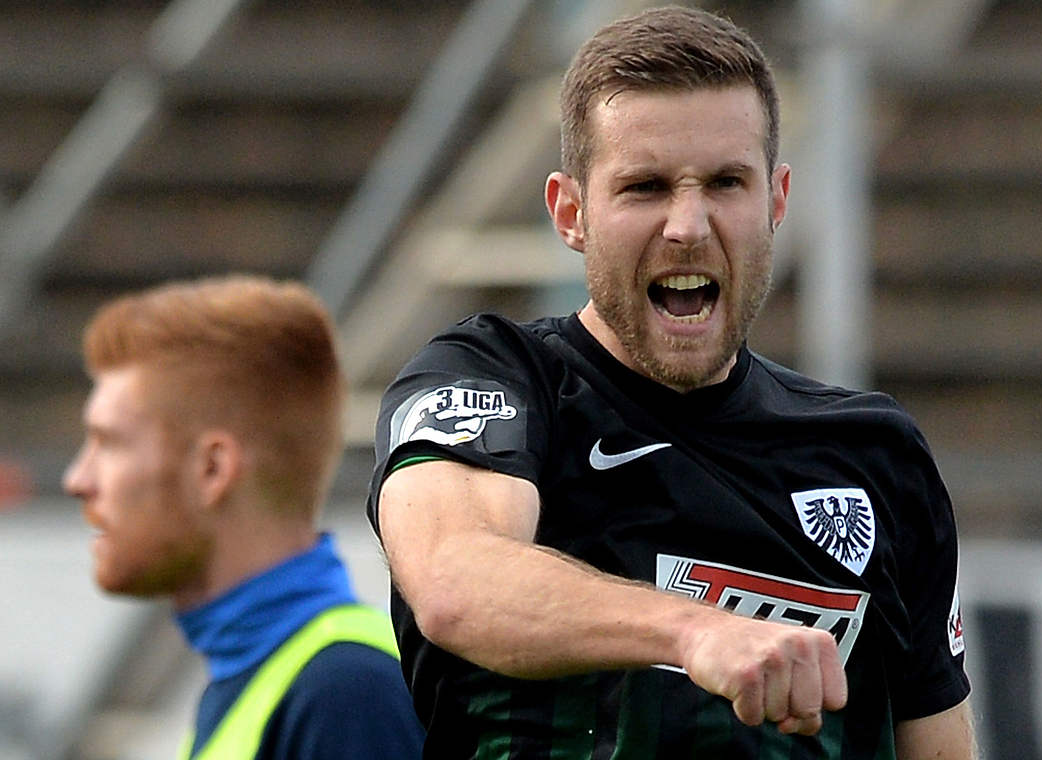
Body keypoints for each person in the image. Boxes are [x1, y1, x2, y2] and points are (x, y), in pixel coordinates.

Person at [369, 6, 975, 758]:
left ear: (776, 201)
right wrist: (695, 631)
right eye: (646, 187)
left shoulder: (877, 457)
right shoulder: (494, 378)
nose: (687, 224)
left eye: (726, 183)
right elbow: (456, 582)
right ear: (571, 212)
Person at [63, 276, 424, 760]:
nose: (77, 479)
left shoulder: (346, 692)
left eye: (108, 444)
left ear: (211, 469)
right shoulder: (261, 674)